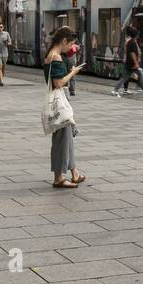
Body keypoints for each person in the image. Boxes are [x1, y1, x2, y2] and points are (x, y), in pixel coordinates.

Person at [43, 27, 85, 188]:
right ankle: (58, 177)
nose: (70, 47)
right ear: (64, 41)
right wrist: (73, 72)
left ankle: (74, 173)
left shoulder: (50, 54)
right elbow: (59, 82)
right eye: (70, 44)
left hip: (57, 100)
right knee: (61, 140)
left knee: (66, 138)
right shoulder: (56, 57)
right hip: (58, 102)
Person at [113, 24, 143, 97]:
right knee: (140, 74)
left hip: (129, 64)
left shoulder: (130, 42)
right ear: (136, 35)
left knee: (124, 78)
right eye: (137, 35)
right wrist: (136, 63)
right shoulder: (133, 43)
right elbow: (132, 54)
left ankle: (115, 90)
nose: (138, 36)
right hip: (132, 64)